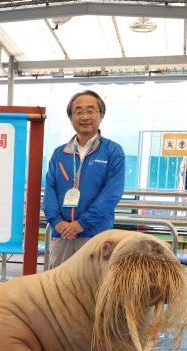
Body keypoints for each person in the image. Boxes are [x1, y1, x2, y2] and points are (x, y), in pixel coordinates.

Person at [42, 90, 126, 268]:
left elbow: (111, 194)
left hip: (95, 234)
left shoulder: (113, 151)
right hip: (62, 235)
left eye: (90, 111)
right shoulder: (59, 153)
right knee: (58, 289)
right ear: (71, 118)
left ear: (101, 115)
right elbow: (49, 191)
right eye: (78, 112)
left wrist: (81, 224)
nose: (85, 116)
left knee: (93, 289)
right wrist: (57, 223)